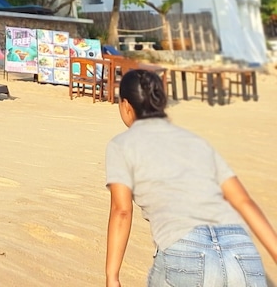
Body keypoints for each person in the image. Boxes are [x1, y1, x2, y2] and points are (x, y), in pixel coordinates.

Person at [105, 68, 277, 287]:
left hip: (185, 252)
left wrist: (112, 276)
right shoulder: (195, 142)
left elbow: (122, 211)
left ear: (126, 105)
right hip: (241, 252)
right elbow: (243, 201)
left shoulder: (122, 145)